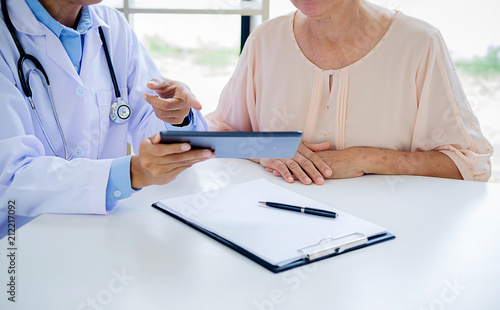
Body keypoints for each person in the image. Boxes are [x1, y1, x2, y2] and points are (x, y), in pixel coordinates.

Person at [207, 0, 493, 185]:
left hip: (389, 240)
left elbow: (467, 165)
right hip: (279, 229)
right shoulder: (264, 40)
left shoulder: (419, 43)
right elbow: (217, 135)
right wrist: (267, 148)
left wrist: (362, 159)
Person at [0, 0, 215, 235]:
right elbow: (10, 178)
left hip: (103, 233)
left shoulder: (111, 26)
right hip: (17, 247)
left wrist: (176, 117)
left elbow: (152, 125)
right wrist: (130, 174)